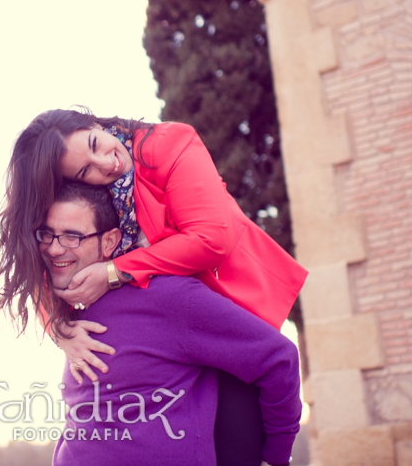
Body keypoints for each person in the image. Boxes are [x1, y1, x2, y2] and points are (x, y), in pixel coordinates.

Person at [0, 108, 308, 465]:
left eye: (95, 143)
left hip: (227, 305)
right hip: (169, 334)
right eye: (84, 171)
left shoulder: (170, 144)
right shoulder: (95, 207)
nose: (104, 163)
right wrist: (58, 329)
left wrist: (114, 271)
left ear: (95, 124)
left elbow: (211, 239)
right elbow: (42, 265)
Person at [38, 183, 300, 466]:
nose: (54, 249)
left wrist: (276, 458)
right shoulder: (70, 318)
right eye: (48, 234)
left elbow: (278, 359)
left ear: (109, 242)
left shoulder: (169, 297)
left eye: (72, 236)